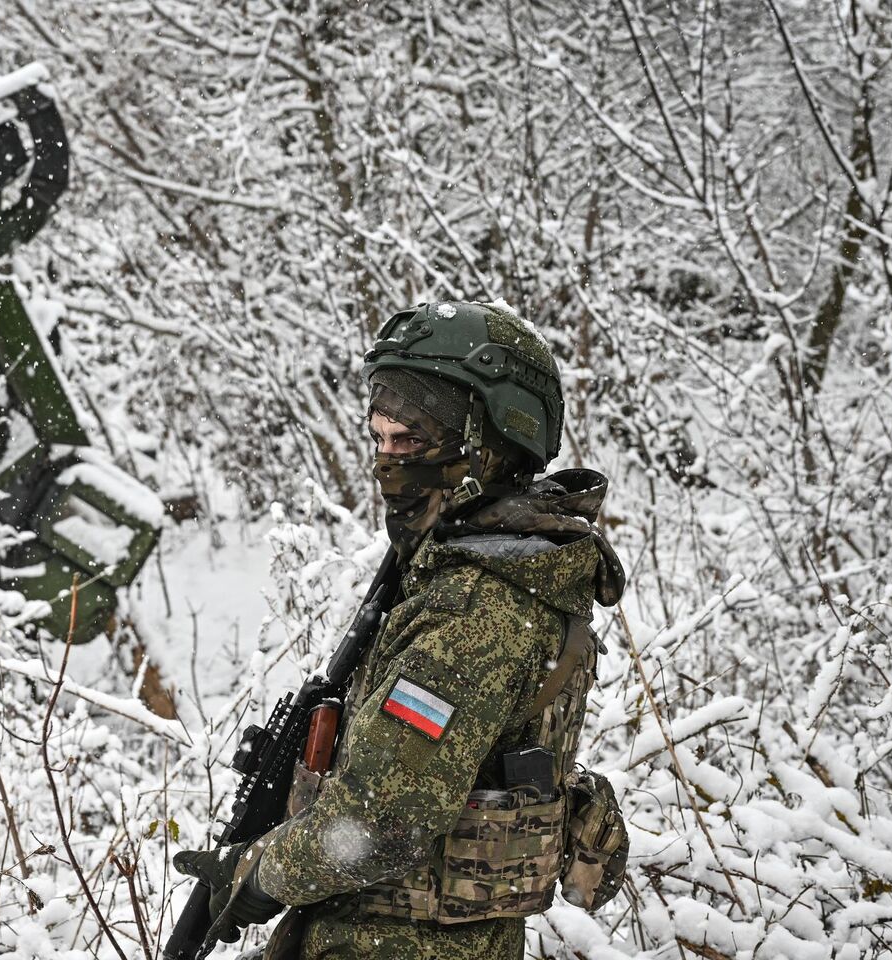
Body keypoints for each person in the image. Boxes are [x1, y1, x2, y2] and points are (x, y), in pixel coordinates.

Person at [175, 301, 628, 959]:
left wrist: (258, 874)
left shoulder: (474, 609)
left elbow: (382, 821)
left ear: (493, 439)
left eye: (411, 438)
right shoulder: (495, 570)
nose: (388, 461)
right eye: (379, 437)